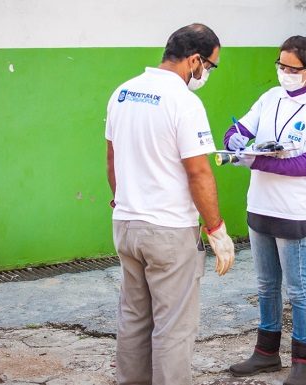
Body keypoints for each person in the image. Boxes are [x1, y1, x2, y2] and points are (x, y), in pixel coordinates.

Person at [105, 23, 235, 385]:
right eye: (209, 66)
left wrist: (123, 201)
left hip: (126, 224)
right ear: (194, 60)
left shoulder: (123, 92)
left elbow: (111, 159)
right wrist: (216, 229)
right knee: (173, 327)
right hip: (169, 231)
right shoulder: (184, 102)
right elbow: (199, 173)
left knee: (133, 319)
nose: (206, 73)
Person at [224, 35, 306, 385]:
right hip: (260, 207)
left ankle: (301, 361)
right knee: (266, 284)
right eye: (281, 65)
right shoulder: (270, 98)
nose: (285, 72)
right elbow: (236, 129)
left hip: (295, 213)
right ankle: (265, 353)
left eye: (292, 68)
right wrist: (235, 141)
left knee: (298, 288)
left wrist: (256, 161)